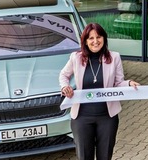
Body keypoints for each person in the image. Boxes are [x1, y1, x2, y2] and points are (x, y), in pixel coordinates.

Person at [59, 23, 140, 160]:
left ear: (104, 38)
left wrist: (128, 83)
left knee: (105, 156)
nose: (95, 41)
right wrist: (65, 87)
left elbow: (118, 83)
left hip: (107, 117)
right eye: (91, 38)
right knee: (84, 156)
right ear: (85, 41)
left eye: (98, 37)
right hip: (82, 117)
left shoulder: (114, 57)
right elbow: (63, 75)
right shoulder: (76, 57)